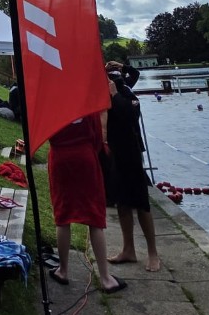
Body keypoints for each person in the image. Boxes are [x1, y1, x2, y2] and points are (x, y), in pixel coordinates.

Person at [46, 78, 124, 293]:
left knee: (63, 214)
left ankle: (63, 270)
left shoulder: (51, 103)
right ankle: (106, 277)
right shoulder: (85, 104)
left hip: (60, 157)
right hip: (85, 157)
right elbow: (97, 135)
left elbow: (46, 133)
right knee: (94, 216)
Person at [104, 63, 160, 272]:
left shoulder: (124, 91)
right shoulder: (105, 92)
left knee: (141, 203)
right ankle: (129, 249)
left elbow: (131, 113)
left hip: (132, 153)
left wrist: (115, 94)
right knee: (121, 203)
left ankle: (153, 252)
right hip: (115, 153)